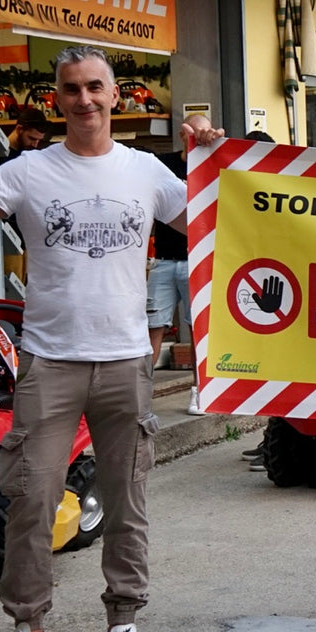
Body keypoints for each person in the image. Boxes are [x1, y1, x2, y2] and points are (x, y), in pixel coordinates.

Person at [0, 44, 224, 632]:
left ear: (115, 94)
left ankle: (123, 625)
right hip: (50, 365)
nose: (85, 99)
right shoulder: (28, 173)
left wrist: (214, 156)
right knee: (30, 501)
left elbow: (223, 226)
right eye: (71, 89)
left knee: (127, 502)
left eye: (95, 86)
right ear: (57, 98)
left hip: (127, 363)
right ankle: (27, 630)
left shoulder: (148, 172)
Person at [146, 121, 201, 416]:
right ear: (182, 135)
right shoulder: (163, 164)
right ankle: (141, 396)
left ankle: (199, 392)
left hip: (197, 260)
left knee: (198, 332)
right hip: (165, 260)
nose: (196, 141)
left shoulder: (211, 165)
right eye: (192, 135)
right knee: (153, 328)